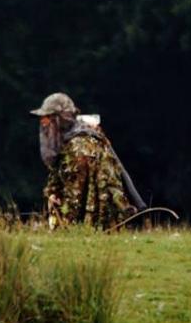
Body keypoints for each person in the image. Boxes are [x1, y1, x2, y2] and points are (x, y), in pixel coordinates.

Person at [32, 92, 142, 230]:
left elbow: (75, 201)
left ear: (59, 119)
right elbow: (58, 179)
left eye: (47, 117)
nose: (43, 122)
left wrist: (62, 226)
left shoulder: (79, 148)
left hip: (96, 225)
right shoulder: (69, 144)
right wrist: (53, 194)